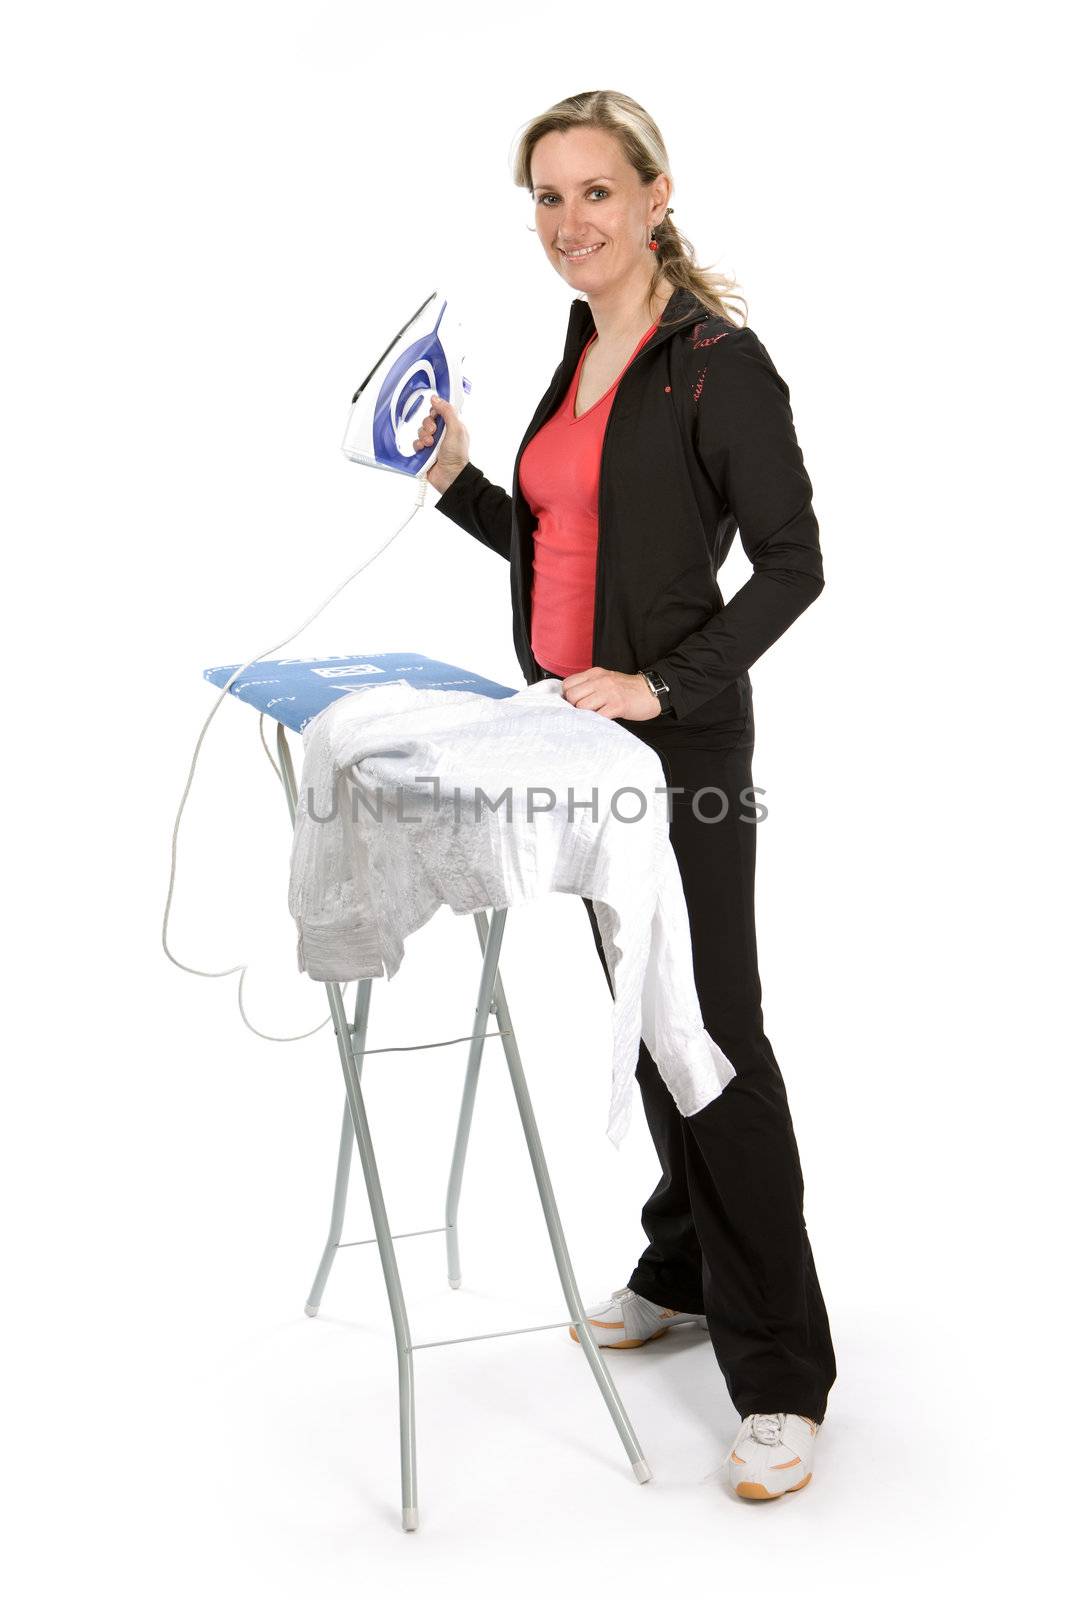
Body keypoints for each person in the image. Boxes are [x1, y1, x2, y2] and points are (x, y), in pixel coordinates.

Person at [418, 89, 836, 1502]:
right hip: (572, 748)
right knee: (643, 1020)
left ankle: (784, 1376)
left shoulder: (718, 364)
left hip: (675, 759)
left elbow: (791, 562)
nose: (568, 224)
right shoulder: (582, 346)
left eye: (596, 193)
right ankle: (682, 1266)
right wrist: (461, 481)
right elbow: (564, 541)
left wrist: (665, 687)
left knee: (711, 1030)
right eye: (546, 197)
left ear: (657, 196)